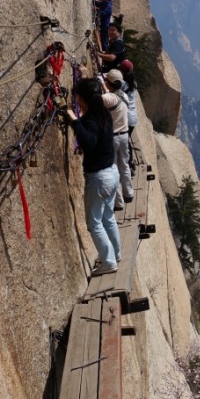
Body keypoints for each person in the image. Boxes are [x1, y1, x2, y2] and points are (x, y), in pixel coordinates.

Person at [64, 77, 121, 275]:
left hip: (99, 178)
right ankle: (117, 254)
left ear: (81, 98)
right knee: (108, 217)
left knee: (94, 223)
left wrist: (74, 121)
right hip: (112, 173)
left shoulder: (90, 120)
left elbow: (88, 141)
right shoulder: (103, 114)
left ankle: (109, 262)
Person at [101, 69, 134, 209]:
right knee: (124, 165)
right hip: (124, 135)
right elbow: (111, 96)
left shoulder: (109, 98)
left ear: (111, 83)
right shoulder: (124, 96)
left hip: (113, 137)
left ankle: (118, 202)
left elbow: (99, 99)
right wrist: (105, 86)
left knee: (113, 169)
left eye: (106, 80)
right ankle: (129, 193)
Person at [119, 60, 138, 166]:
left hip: (127, 117)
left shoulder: (122, 84)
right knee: (126, 139)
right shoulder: (133, 83)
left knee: (124, 140)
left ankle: (129, 162)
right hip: (133, 117)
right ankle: (130, 161)